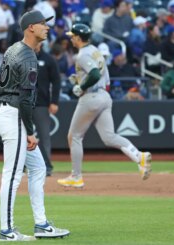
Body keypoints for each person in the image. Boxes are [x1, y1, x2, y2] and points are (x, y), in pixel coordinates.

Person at [0, 10, 70, 241]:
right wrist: (31, 133)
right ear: (30, 28)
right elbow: (25, 99)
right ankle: (7, 230)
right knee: (12, 174)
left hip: (8, 112)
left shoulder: (12, 49)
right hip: (15, 116)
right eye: (43, 24)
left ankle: (42, 224)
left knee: (38, 167)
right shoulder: (27, 56)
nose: (47, 27)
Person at [57, 23, 152, 188]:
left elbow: (93, 74)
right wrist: (80, 79)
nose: (71, 38)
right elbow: (99, 74)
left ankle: (76, 176)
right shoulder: (95, 50)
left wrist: (82, 86)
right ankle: (139, 156)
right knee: (109, 137)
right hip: (104, 96)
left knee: (75, 136)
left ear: (79, 38)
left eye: (73, 36)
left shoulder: (82, 55)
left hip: (91, 97)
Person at [33, 42, 61, 177]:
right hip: (22, 104)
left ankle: (46, 166)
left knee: (44, 137)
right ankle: (21, 165)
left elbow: (56, 81)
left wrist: (54, 101)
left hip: (41, 104)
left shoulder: (49, 59)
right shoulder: (21, 57)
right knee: (19, 136)